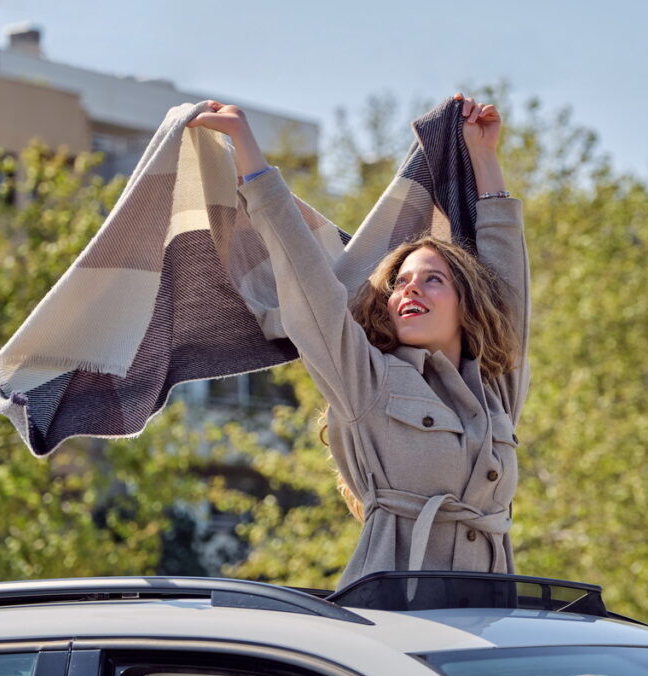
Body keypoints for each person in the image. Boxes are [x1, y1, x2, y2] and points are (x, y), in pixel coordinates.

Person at [187, 93, 530, 590]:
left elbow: (510, 286)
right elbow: (308, 288)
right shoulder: (367, 381)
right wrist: (251, 161)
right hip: (394, 615)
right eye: (398, 283)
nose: (408, 288)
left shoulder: (494, 391)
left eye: (431, 279)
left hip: (494, 616)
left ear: (468, 305)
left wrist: (484, 157)